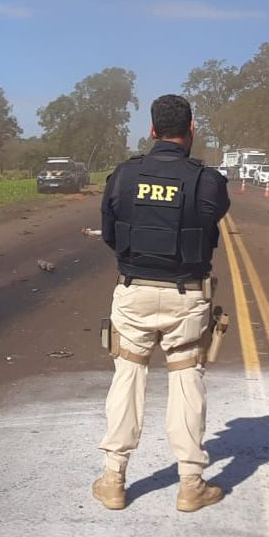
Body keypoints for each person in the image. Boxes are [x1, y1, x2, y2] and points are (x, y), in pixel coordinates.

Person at [94, 94, 230, 513]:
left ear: (152, 130)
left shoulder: (123, 176)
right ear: (191, 130)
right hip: (186, 295)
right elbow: (210, 222)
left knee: (128, 374)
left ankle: (113, 480)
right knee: (186, 378)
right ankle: (191, 484)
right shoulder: (207, 181)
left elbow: (110, 234)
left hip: (133, 291)